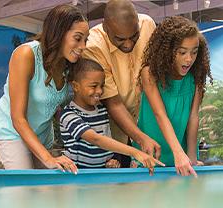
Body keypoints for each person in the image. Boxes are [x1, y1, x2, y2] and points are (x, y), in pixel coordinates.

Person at [0, 5, 88, 173]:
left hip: (42, 136)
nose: (83, 46)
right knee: (24, 191)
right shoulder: (26, 55)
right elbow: (18, 118)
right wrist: (48, 158)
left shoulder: (68, 64)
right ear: (58, 33)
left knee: (50, 190)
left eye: (86, 40)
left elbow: (57, 108)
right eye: (78, 38)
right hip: (13, 134)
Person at [82, 0, 160, 167]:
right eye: (120, 39)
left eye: (134, 36)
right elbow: (114, 103)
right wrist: (140, 139)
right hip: (115, 134)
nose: (128, 44)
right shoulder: (93, 46)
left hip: (148, 124)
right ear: (105, 27)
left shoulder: (148, 24)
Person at [135, 16, 211, 177]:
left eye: (194, 52)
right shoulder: (149, 74)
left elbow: (193, 117)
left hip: (182, 157)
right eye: (182, 52)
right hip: (150, 155)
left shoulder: (196, 76)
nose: (189, 59)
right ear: (167, 50)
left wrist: (191, 157)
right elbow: (159, 114)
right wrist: (178, 153)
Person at [58, 58, 164, 174]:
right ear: (75, 86)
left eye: (102, 86)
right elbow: (95, 139)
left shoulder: (101, 110)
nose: (99, 91)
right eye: (93, 86)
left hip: (101, 176)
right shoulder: (68, 114)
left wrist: (113, 159)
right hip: (78, 175)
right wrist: (135, 152)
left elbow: (107, 140)